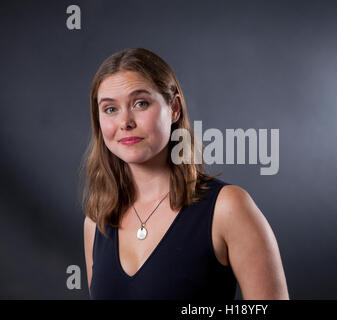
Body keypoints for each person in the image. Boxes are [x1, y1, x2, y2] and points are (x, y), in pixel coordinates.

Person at [80, 48, 289, 299]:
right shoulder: (97, 221)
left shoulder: (228, 208)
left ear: (174, 108)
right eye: (110, 109)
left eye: (141, 103)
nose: (125, 121)